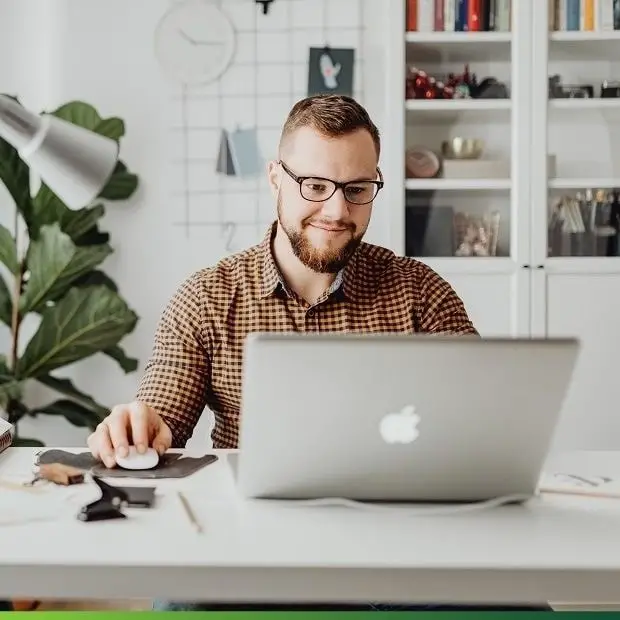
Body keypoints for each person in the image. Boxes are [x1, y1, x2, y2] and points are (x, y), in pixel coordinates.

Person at [87, 94, 549, 612]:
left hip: (411, 542)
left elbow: (488, 424)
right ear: (275, 179)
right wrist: (138, 426)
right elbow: (162, 412)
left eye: (357, 189)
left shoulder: (421, 293)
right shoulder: (208, 297)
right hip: (255, 544)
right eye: (314, 185)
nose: (337, 210)